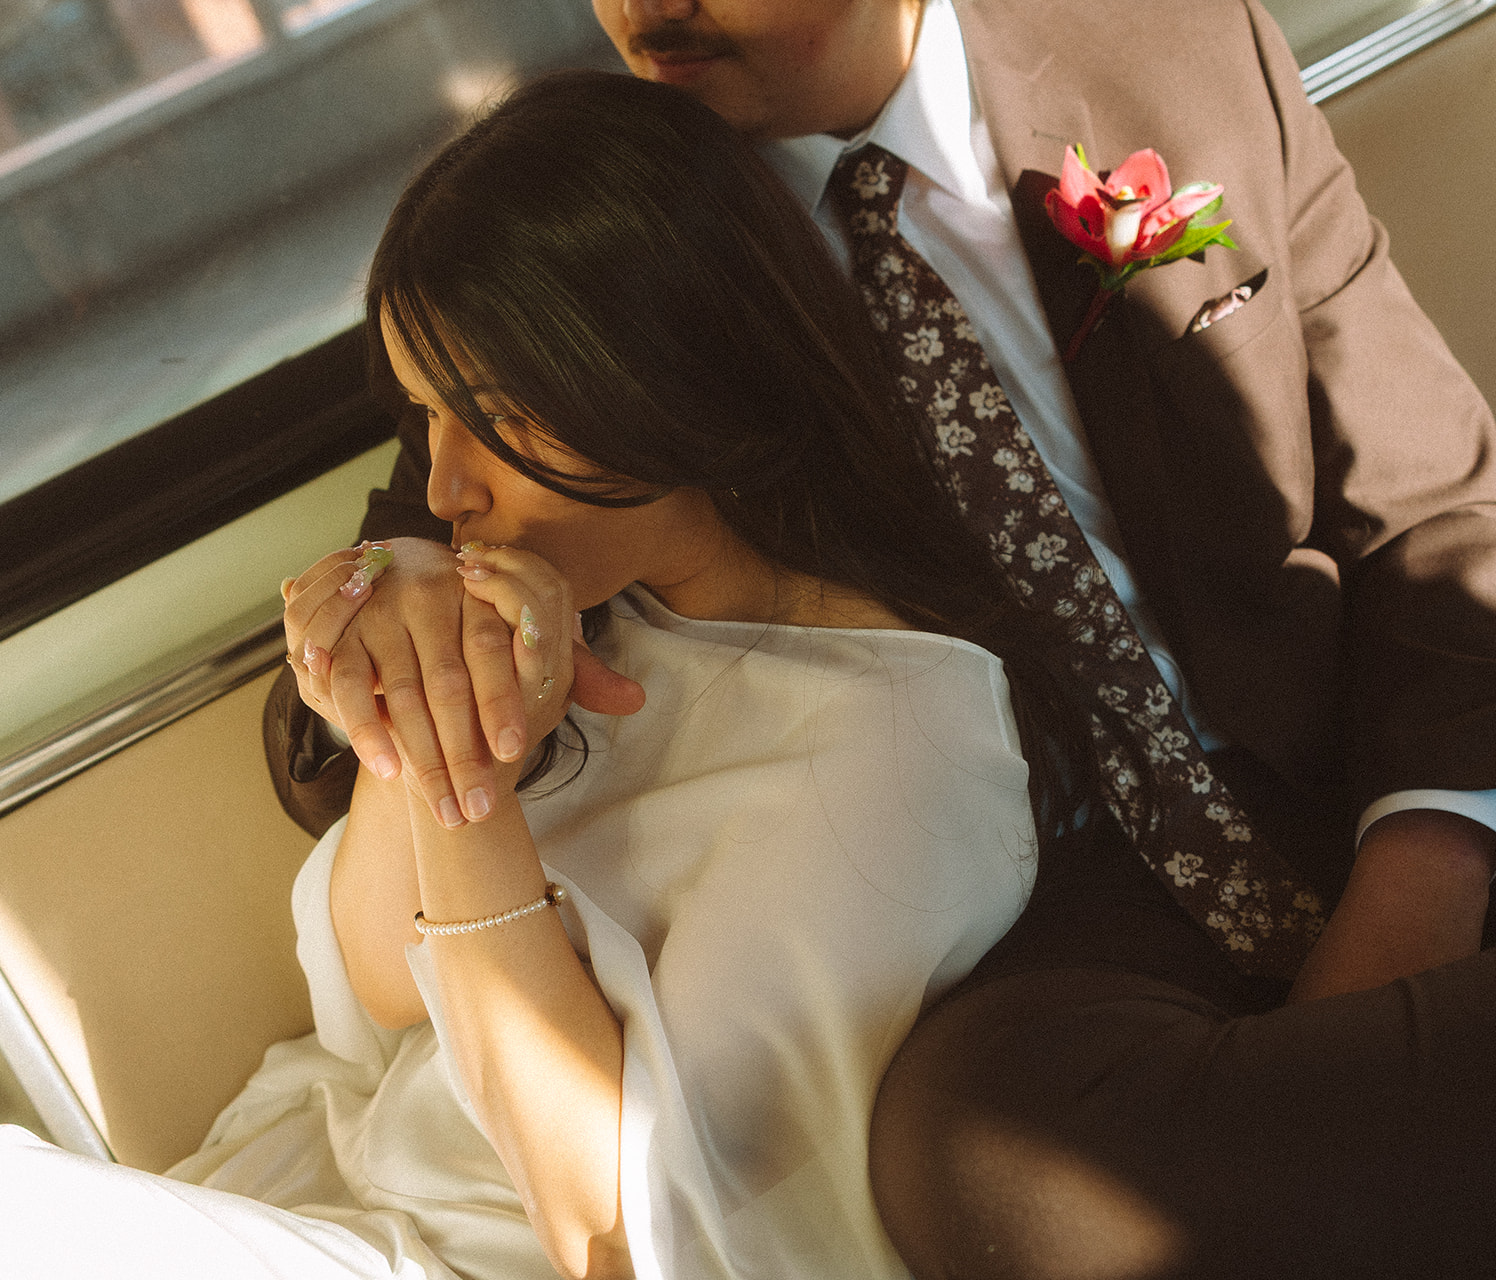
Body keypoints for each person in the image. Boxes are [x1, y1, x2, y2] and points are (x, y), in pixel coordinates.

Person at [266, 1, 1496, 1276]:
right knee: (980, 1155)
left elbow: (1440, 505)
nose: (641, 6)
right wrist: (391, 600)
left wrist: (1423, 873)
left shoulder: (1166, 49)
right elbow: (414, 580)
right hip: (1063, 902)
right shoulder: (616, 227)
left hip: (1365, 774)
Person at [0, 70, 1113, 1279]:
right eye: (429, 418)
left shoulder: (889, 753)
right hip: (351, 1174)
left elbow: (625, 1235)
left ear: (674, 375)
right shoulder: (596, 612)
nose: (443, 491)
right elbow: (384, 988)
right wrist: (417, 724)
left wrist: (470, 789)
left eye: (500, 417)